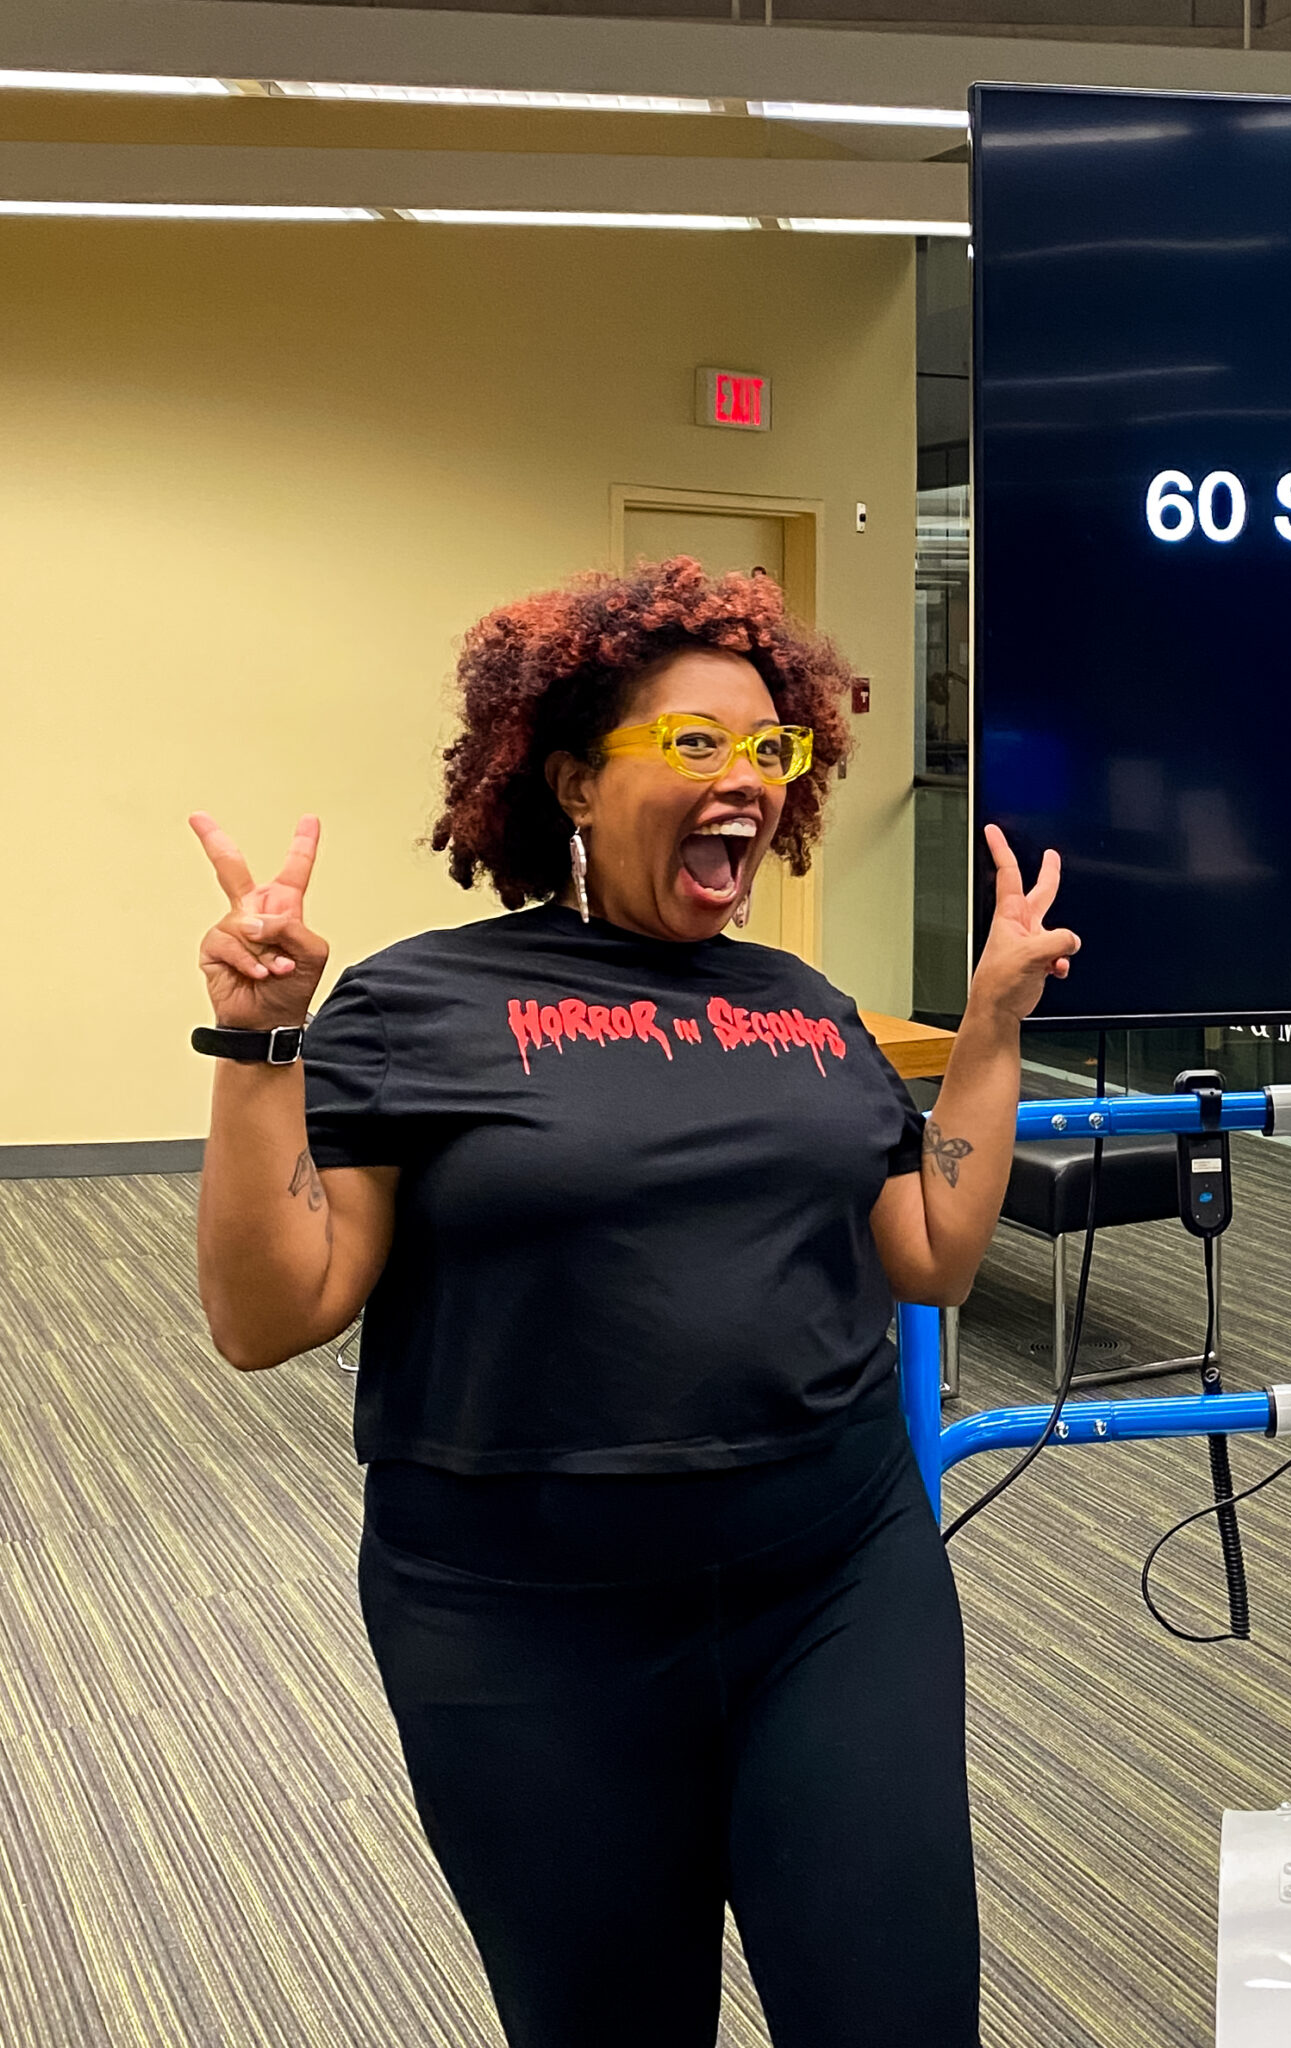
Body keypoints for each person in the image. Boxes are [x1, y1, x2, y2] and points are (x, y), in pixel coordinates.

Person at [188, 557, 1075, 2048]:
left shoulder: (807, 1009)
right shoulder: (421, 1005)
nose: (746, 780)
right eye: (697, 745)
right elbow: (269, 1316)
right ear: (573, 784)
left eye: (768, 750)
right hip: (521, 1628)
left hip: (836, 1587)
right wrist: (256, 1043)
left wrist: (987, 1031)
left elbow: (927, 1254)